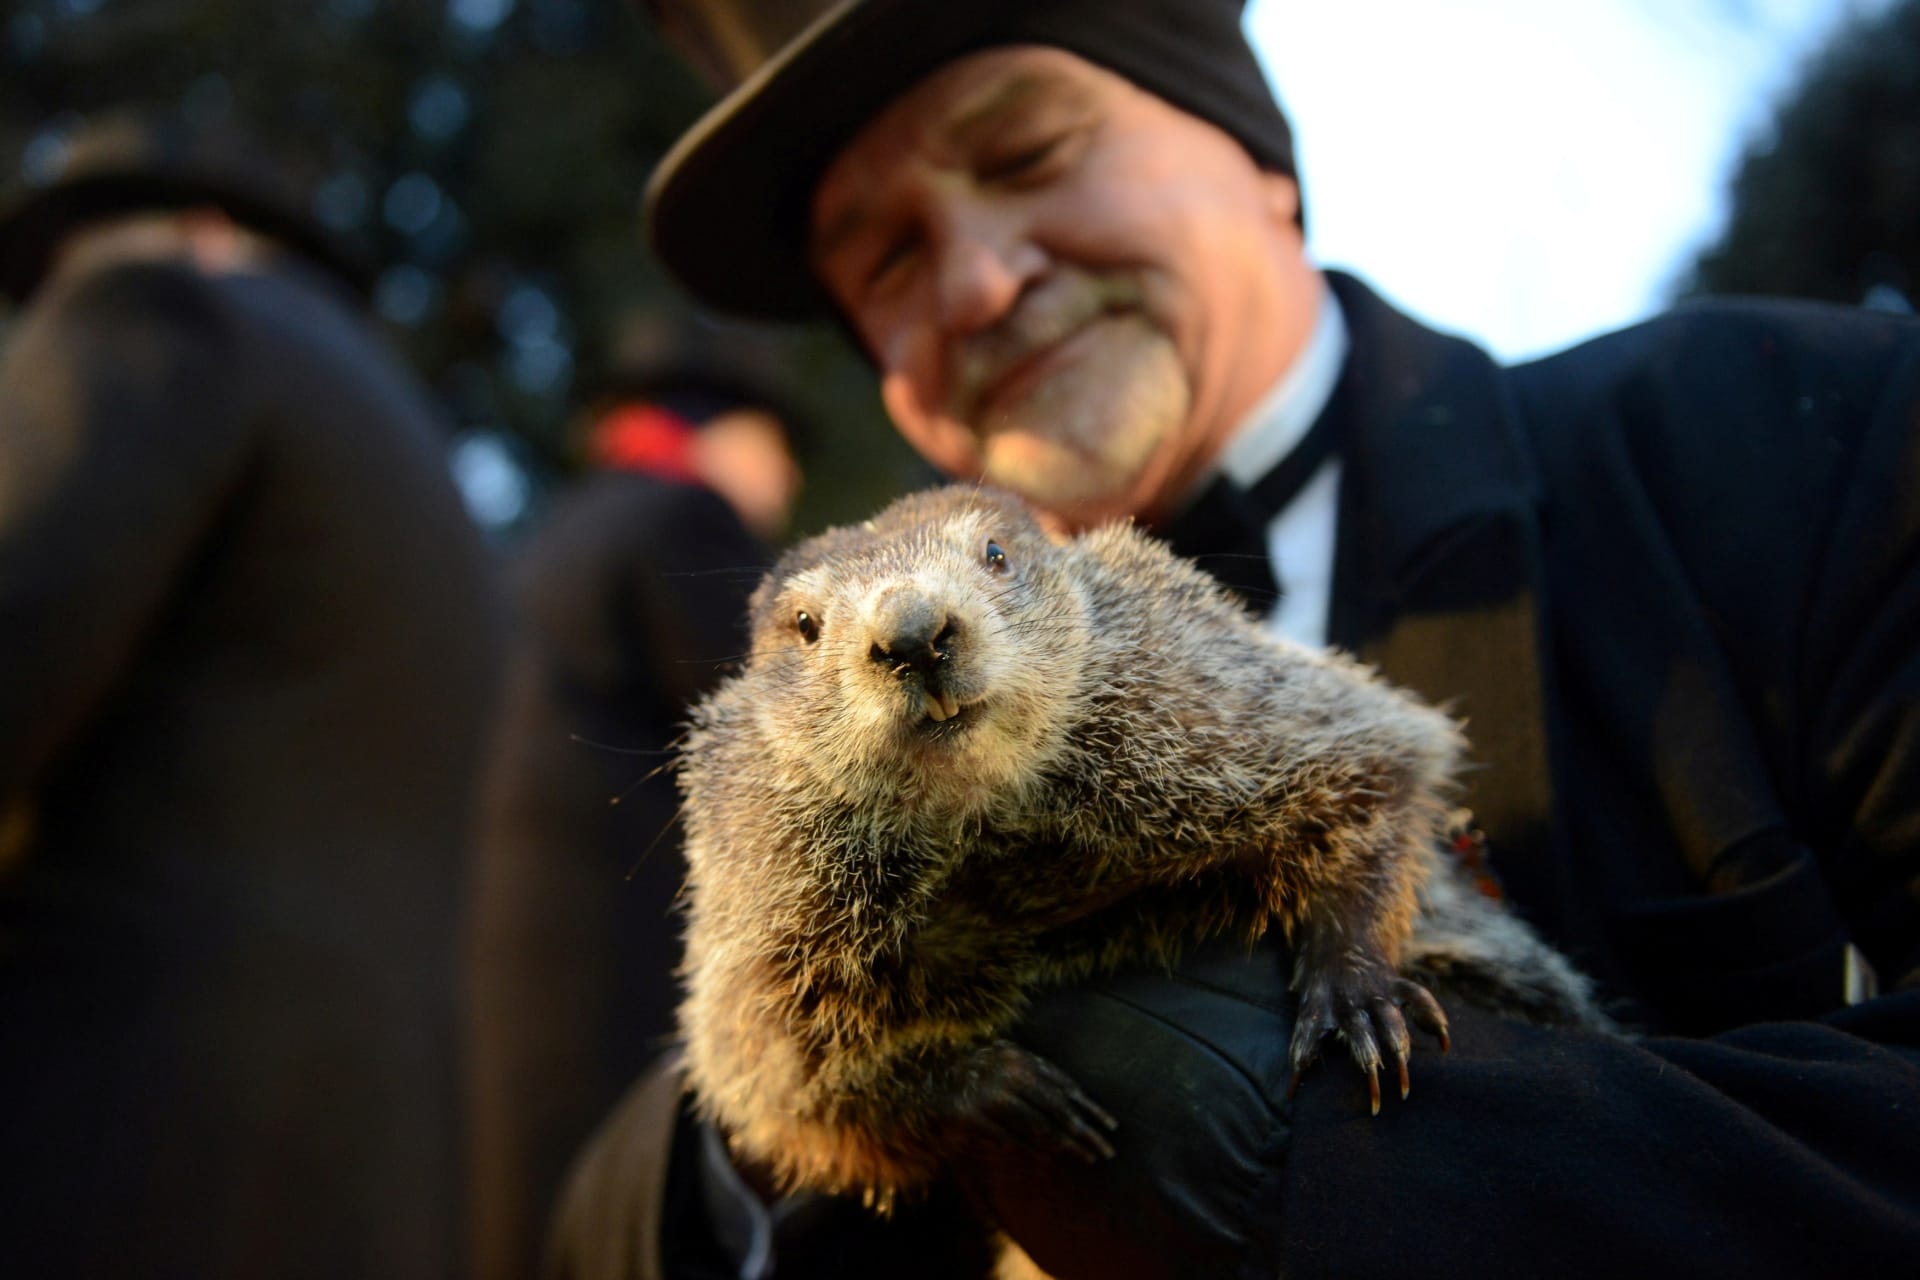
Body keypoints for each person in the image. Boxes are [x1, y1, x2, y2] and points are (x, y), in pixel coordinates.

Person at [546, 1, 1920, 1276]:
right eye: (888, 256)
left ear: (1259, 152)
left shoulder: (1795, 434)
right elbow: (587, 1223)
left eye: (1027, 148)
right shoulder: (817, 697)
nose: (972, 282)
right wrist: (812, 1099)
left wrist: (1343, 1172)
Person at [0, 109, 503, 1279]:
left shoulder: (161, 307)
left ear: (200, 230)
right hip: (372, 1182)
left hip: (108, 1133)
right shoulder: (406, 446)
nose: (41, 315)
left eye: (57, 272)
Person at [467, 327, 807, 1280]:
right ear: (726, 435)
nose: (783, 486)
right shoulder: (685, 522)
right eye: (777, 450)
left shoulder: (562, 529)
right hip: (620, 974)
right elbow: (790, 735)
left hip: (510, 984)